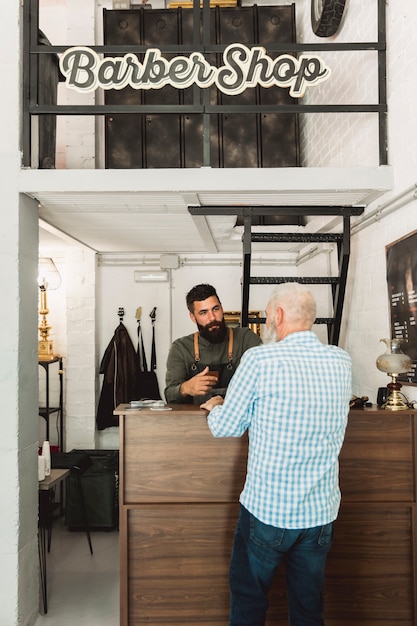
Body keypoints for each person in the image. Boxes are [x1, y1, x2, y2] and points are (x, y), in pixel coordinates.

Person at [201, 282, 352, 626]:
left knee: (250, 604)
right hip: (320, 513)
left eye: (269, 314)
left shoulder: (259, 359)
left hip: (267, 512)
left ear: (278, 315)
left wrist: (216, 406)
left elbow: (227, 427)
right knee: (308, 608)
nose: (268, 320)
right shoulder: (341, 361)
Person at [164, 283, 262, 404]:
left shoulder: (246, 339)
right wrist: (185, 388)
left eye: (216, 309)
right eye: (203, 313)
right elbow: (169, 395)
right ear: (193, 317)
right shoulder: (181, 348)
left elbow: (264, 383)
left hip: (237, 418)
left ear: (222, 308)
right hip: (193, 421)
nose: (212, 318)